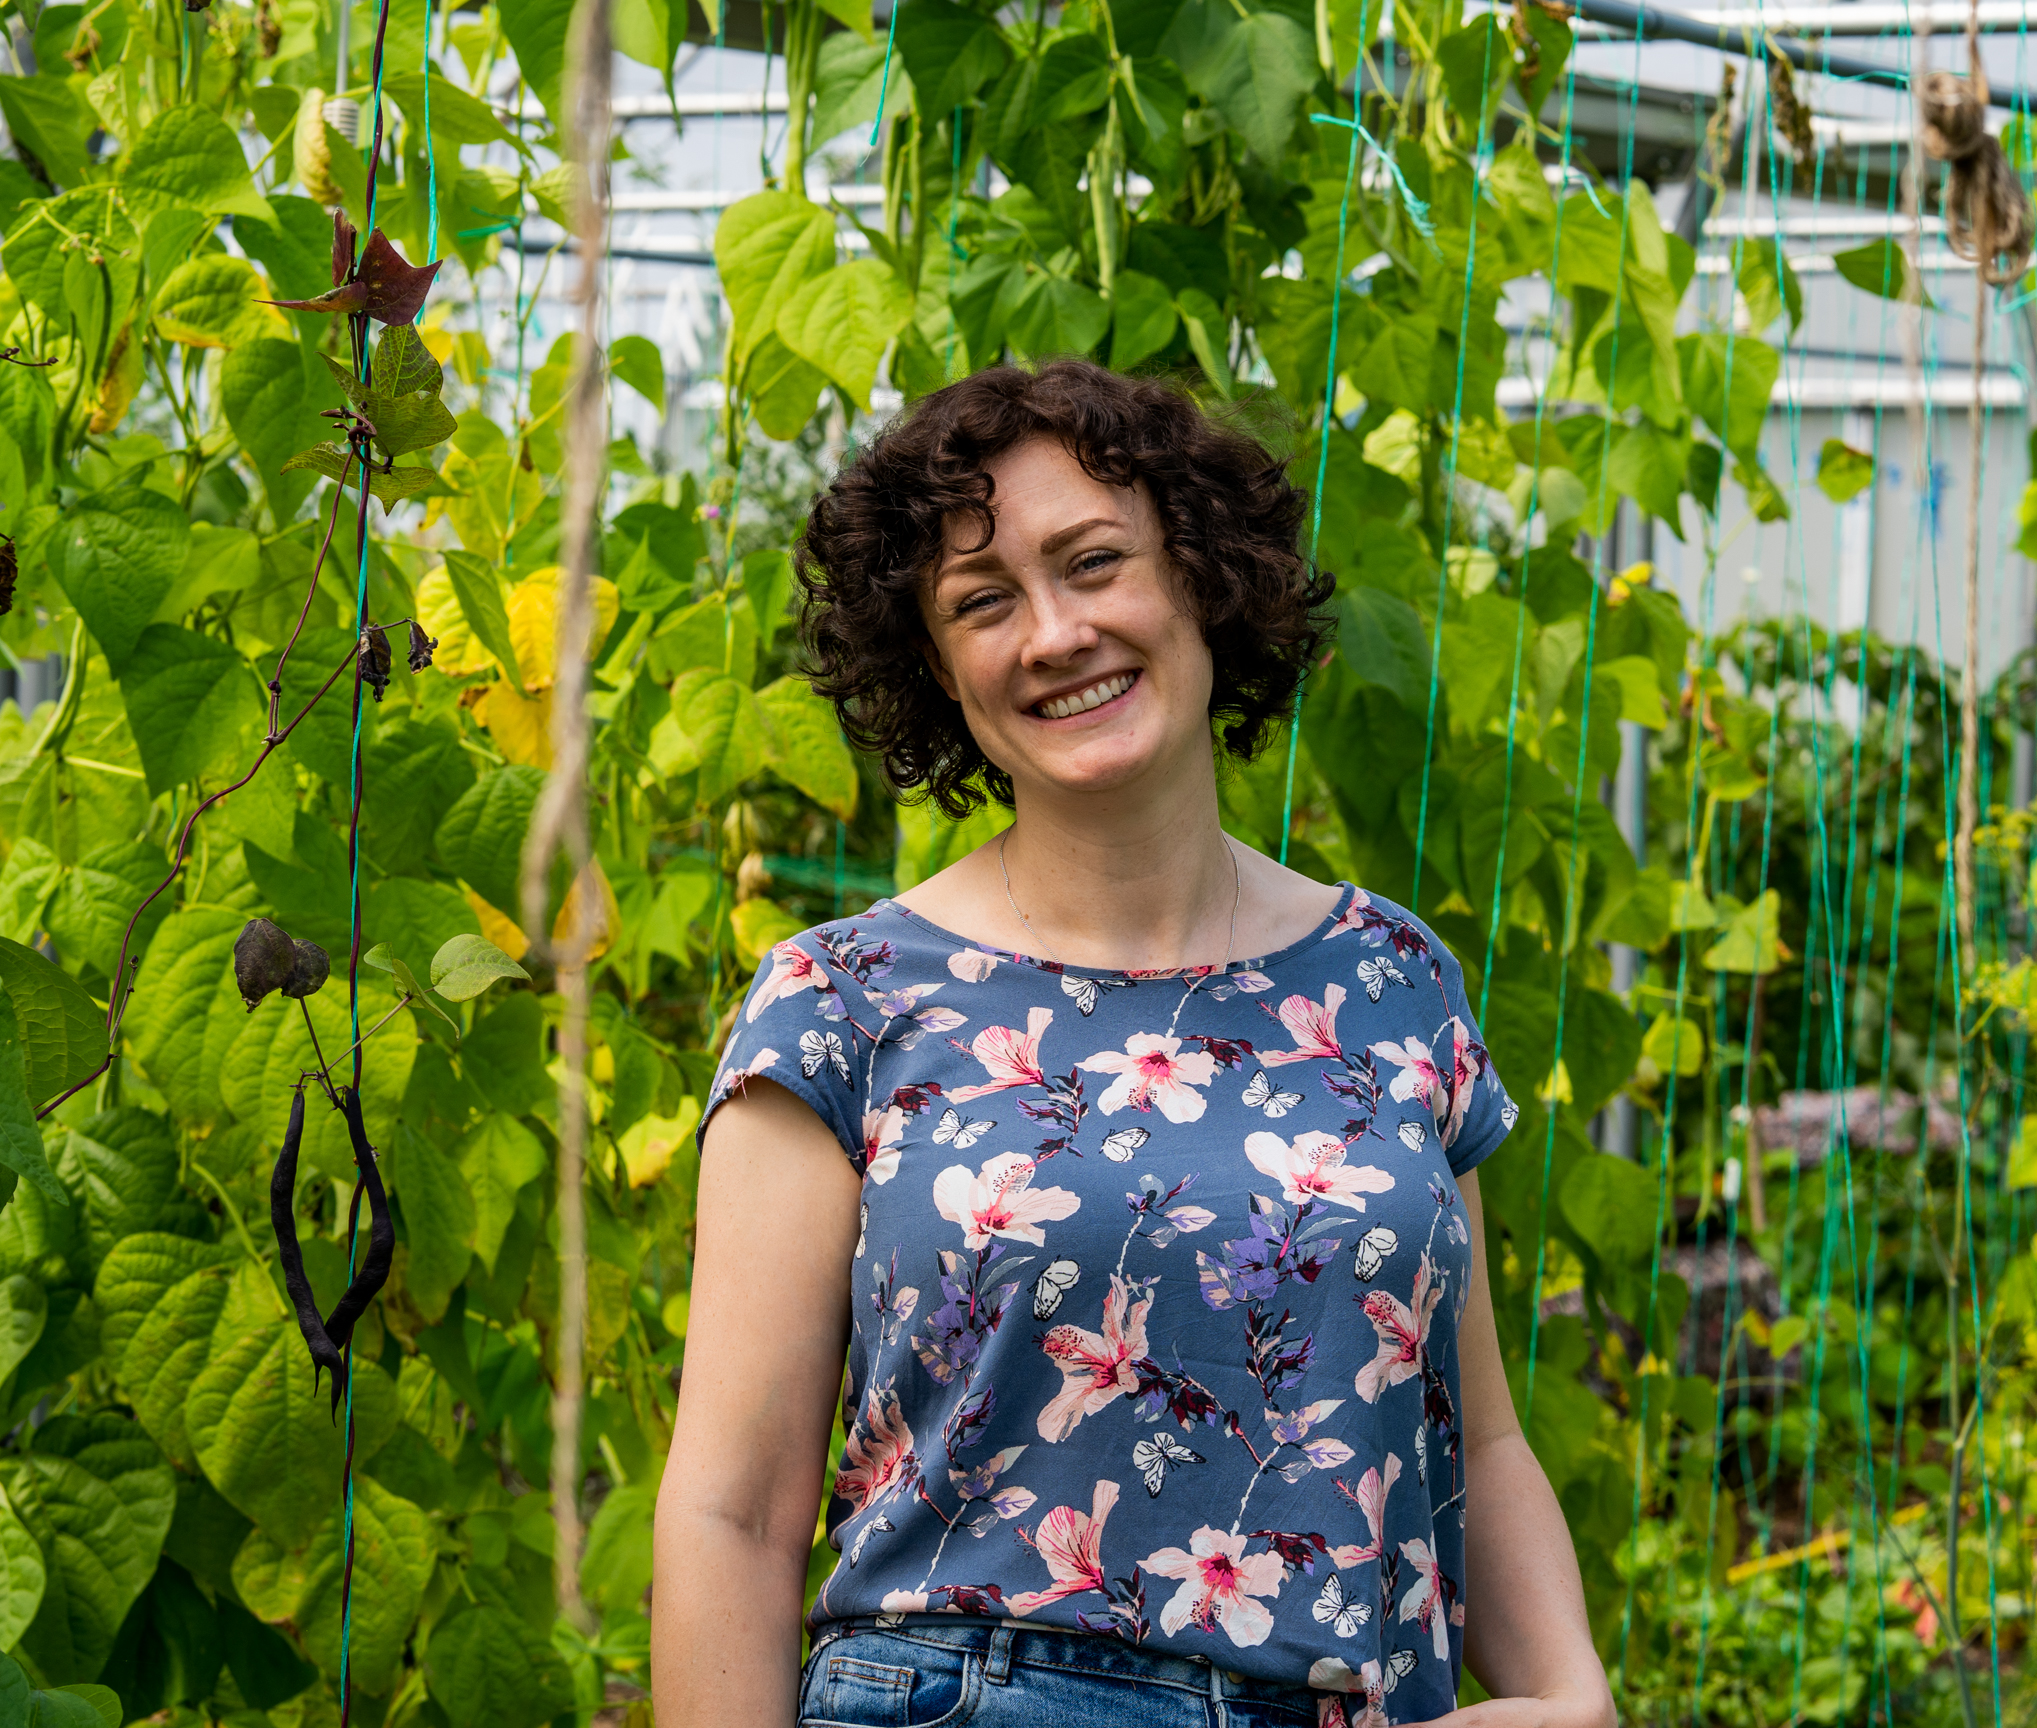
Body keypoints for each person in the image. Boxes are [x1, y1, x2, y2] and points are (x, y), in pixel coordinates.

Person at [653, 360, 1614, 1728]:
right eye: (982, 601)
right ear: (935, 667)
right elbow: (732, 1514)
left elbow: (1483, 1431)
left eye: (1093, 562)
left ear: (1201, 578)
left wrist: (1575, 1693)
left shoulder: (1395, 981)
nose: (1053, 633)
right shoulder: (841, 1001)